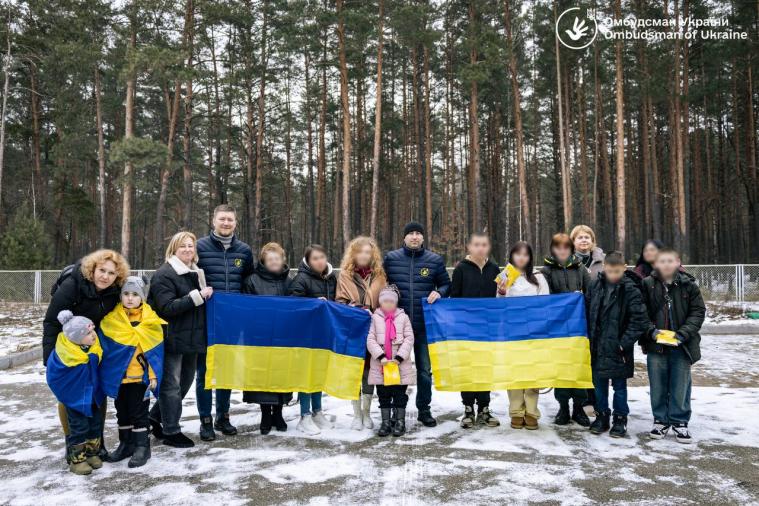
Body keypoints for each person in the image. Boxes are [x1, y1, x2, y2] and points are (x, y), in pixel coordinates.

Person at [42, 249, 129, 462]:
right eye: (102, 270)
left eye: (111, 273)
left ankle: (95, 443)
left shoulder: (114, 290)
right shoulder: (73, 285)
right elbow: (52, 321)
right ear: (92, 269)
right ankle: (73, 443)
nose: (105, 276)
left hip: (95, 347)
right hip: (69, 349)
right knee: (69, 396)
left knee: (97, 394)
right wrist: (51, 359)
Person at [195, 204, 254, 441]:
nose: (226, 223)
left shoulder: (244, 250)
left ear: (235, 223)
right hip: (206, 318)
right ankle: (205, 420)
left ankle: (223, 416)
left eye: (230, 219)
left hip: (233, 320)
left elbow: (250, 283)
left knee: (226, 370)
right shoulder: (199, 247)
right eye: (222, 219)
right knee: (205, 371)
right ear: (214, 221)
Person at [148, 232, 212, 448]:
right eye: (182, 246)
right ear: (173, 249)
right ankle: (171, 431)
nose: (187, 249)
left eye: (191, 246)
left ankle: (154, 417)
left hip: (192, 339)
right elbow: (167, 307)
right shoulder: (164, 274)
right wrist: (197, 297)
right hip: (171, 338)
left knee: (184, 383)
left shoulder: (195, 272)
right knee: (171, 385)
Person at [383, 221, 450, 427]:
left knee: (424, 370)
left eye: (418, 233)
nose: (414, 236)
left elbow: (447, 284)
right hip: (397, 327)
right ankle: (397, 409)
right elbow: (381, 284)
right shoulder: (391, 259)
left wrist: (439, 292)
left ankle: (424, 409)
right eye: (410, 233)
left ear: (423, 237)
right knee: (396, 369)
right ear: (404, 237)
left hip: (423, 325)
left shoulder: (435, 260)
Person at [639, 248, 706, 443]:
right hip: (656, 344)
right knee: (657, 384)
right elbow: (640, 312)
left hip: (682, 344)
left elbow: (698, 312)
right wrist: (651, 332)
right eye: (662, 261)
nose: (666, 264)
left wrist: (683, 334)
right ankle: (660, 420)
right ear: (655, 264)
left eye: (670, 260)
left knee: (680, 384)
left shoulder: (689, 285)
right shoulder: (647, 284)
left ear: (678, 262)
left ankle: (679, 421)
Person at [98, 276, 165, 467]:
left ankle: (142, 447)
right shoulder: (112, 320)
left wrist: (152, 375)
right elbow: (108, 350)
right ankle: (125, 444)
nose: (129, 298)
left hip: (140, 379)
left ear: (142, 297)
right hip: (120, 379)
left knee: (139, 414)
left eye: (135, 294)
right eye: (126, 294)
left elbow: (154, 353)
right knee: (122, 413)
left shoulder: (150, 321)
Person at [585, 252, 648, 438]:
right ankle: (602, 416)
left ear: (625, 267)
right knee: (599, 385)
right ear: (604, 267)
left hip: (619, 349)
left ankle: (620, 419)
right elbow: (587, 311)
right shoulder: (595, 285)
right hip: (597, 347)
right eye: (610, 270)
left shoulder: (630, 289)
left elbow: (639, 320)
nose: (613, 274)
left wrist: (623, 343)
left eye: (617, 271)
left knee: (619, 387)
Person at [450, 232, 501, 429]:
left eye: (484, 245)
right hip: (466, 328)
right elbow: (455, 298)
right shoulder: (461, 269)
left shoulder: (494, 269)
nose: (480, 248)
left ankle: (484, 409)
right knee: (468, 366)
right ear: (469, 247)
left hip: (488, 328)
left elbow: (498, 298)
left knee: (485, 367)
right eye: (476, 245)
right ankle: (468, 409)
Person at [336, 236, 387, 430]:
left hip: (374, 330)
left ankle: (367, 412)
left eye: (368, 252)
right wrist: (357, 308)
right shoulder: (345, 275)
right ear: (354, 254)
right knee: (353, 370)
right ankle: (356, 414)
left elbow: (387, 300)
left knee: (369, 370)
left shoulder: (380, 275)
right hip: (353, 329)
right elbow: (339, 301)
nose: (364, 255)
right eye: (360, 252)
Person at [242, 242, 293, 434]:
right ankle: (265, 413)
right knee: (262, 375)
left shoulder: (289, 281)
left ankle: (278, 413)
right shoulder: (252, 281)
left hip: (284, 336)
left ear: (282, 260)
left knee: (281, 374)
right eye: (270, 259)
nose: (274, 262)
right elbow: (246, 308)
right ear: (264, 260)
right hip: (260, 336)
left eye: (277, 258)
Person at [498, 241, 550, 430]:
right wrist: (502, 292)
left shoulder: (538, 277)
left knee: (532, 371)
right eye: (517, 253)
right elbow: (499, 304)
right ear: (512, 255)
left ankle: (531, 411)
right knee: (514, 371)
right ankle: (516, 412)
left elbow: (546, 304)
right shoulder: (505, 275)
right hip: (512, 331)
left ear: (530, 257)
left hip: (534, 333)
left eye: (525, 254)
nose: (521, 257)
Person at [541, 233, 591, 427]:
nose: (562, 251)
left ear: (570, 249)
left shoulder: (580, 269)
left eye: (565, 247)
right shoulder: (546, 271)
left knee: (578, 368)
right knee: (561, 368)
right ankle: (563, 407)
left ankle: (579, 407)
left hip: (579, 328)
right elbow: (545, 298)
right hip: (557, 329)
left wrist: (581, 297)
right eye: (558, 247)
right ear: (553, 249)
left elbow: (592, 292)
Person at [45, 311, 104, 475]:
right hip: (76, 398)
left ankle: (92, 454)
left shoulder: (93, 348)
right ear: (76, 337)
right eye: (88, 333)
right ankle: (77, 460)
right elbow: (56, 376)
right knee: (79, 427)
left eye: (93, 330)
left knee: (95, 424)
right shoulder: (65, 354)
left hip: (92, 396)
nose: (93, 335)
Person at [289, 244, 337, 435]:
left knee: (318, 373)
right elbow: (294, 304)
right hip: (305, 334)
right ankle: (305, 416)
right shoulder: (301, 278)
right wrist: (314, 303)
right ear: (308, 261)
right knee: (306, 375)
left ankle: (317, 412)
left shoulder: (332, 278)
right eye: (315, 258)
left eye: (322, 257)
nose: (319, 261)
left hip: (324, 334)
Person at [366, 286, 415, 437]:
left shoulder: (403, 317)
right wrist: (380, 357)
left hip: (399, 364)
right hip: (382, 364)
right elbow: (370, 339)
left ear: (396, 302)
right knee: (383, 394)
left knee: (400, 394)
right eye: (385, 301)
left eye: (391, 301)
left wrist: (400, 357)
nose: (388, 304)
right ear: (380, 302)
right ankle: (386, 422)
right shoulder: (374, 318)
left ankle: (400, 421)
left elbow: (409, 338)